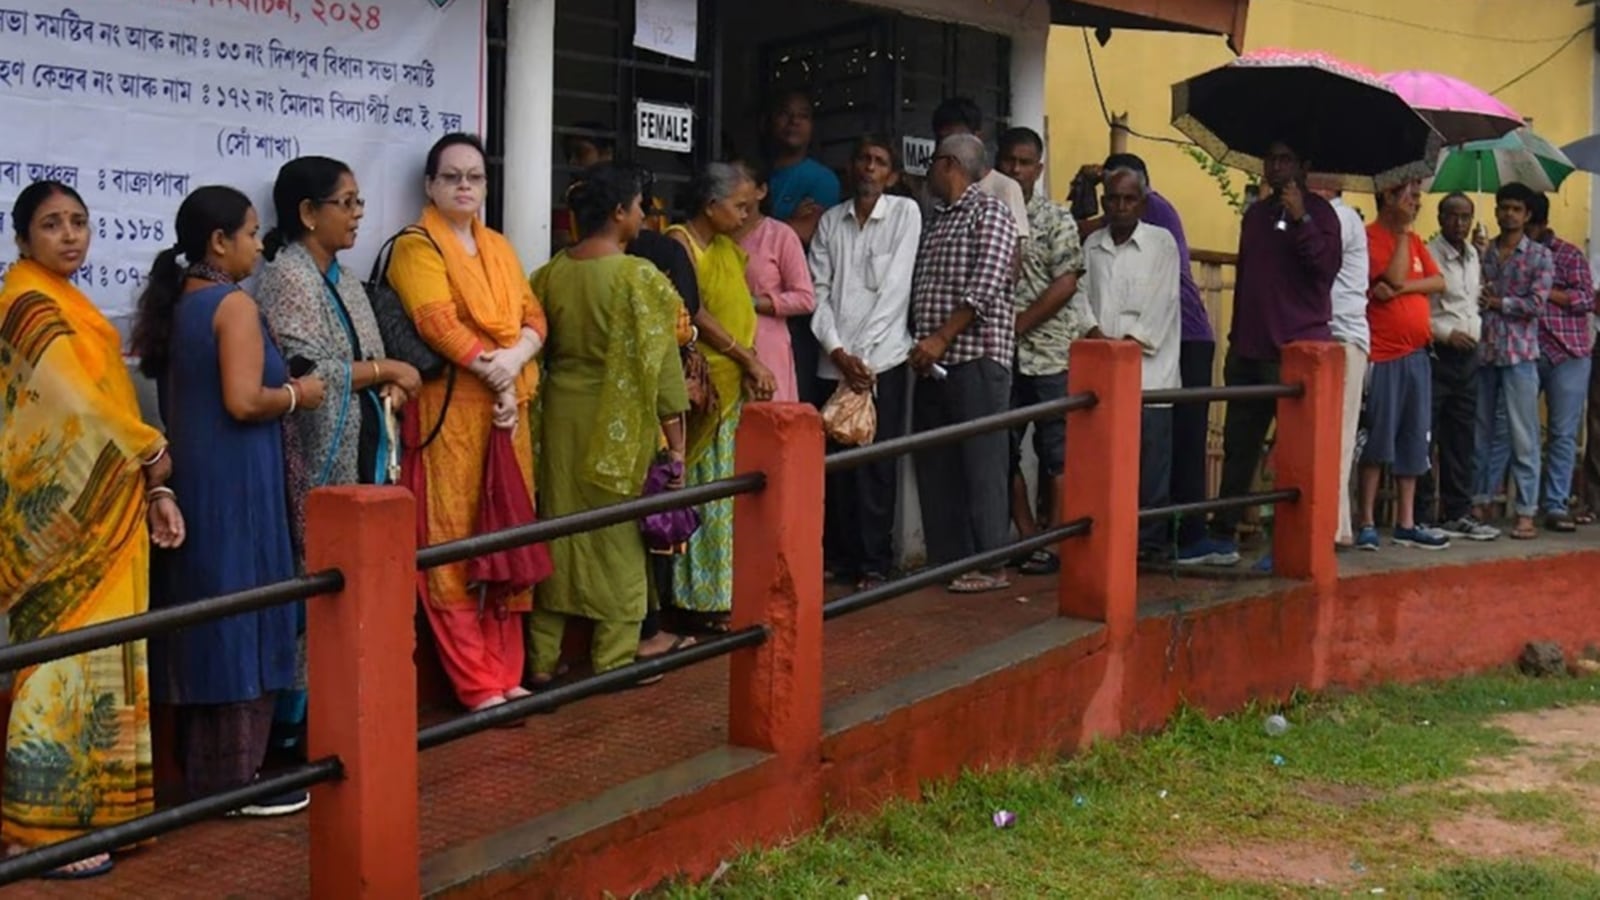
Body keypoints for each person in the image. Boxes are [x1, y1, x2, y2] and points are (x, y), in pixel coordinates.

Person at [0, 181, 183, 878]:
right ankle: (36, 832)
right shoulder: (26, 305)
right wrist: (150, 448)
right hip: (58, 521)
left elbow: (103, 401)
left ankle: (97, 816)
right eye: (52, 224)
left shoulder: (70, 305)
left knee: (103, 658)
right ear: (23, 239)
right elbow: (75, 405)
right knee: (58, 664)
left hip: (105, 508)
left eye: (78, 221)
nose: (70, 235)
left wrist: (154, 483)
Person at [132, 186, 321, 814]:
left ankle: (210, 780)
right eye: (251, 233)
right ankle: (236, 782)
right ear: (219, 242)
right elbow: (244, 401)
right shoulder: (232, 306)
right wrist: (299, 394)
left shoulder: (180, 302)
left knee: (208, 623)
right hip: (239, 484)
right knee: (243, 618)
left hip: (197, 482)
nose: (259, 246)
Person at [256, 156, 421, 749]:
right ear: (307, 212)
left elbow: (364, 361)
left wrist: (390, 383)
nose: (357, 215)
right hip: (318, 458)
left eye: (359, 203)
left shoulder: (346, 279)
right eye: (345, 203)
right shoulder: (286, 277)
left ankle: (351, 708)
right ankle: (298, 725)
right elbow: (309, 372)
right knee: (318, 583)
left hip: (367, 454)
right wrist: (388, 370)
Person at [385, 133, 547, 709]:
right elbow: (436, 323)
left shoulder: (498, 246)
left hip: (507, 411)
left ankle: (508, 673)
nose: (464, 186)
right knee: (452, 540)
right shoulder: (417, 246)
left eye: (474, 177)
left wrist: (514, 361)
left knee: (506, 530)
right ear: (430, 185)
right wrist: (496, 372)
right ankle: (478, 684)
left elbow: (534, 316)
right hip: (451, 410)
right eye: (451, 176)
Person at [530, 165, 690, 679]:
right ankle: (614, 660)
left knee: (557, 530)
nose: (644, 216)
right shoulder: (638, 277)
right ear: (619, 212)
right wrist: (676, 446)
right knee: (619, 538)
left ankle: (541, 660)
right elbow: (663, 370)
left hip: (559, 418)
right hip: (617, 419)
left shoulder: (550, 273)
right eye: (640, 206)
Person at [1178, 140, 1340, 566]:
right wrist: (1236, 338)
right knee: (1238, 448)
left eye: (1286, 159)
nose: (1276, 166)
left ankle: (1288, 540)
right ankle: (1223, 534)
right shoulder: (1255, 216)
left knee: (1293, 454)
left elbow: (1326, 269)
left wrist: (1301, 217)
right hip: (1249, 350)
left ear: (1304, 165)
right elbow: (1249, 276)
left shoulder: (1323, 215)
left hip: (1294, 351)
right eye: (1271, 159)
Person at [667, 163, 777, 631]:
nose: (747, 215)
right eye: (740, 206)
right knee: (701, 495)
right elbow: (695, 313)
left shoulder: (726, 249)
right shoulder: (680, 244)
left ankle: (721, 595)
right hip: (704, 391)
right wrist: (746, 358)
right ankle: (695, 600)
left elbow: (737, 313)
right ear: (711, 206)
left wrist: (750, 362)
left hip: (734, 387)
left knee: (727, 500)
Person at [811, 135, 922, 591]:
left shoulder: (904, 214)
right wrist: (839, 352)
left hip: (883, 362)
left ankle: (873, 563)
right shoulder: (830, 222)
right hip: (834, 362)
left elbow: (895, 292)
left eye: (879, 162)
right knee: (835, 464)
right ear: (851, 167)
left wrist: (862, 360)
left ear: (891, 175)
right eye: (863, 159)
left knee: (875, 465)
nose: (869, 168)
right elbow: (818, 292)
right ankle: (841, 557)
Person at [910, 133, 1019, 594]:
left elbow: (987, 284)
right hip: (933, 363)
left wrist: (941, 336)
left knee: (982, 463)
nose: (928, 173)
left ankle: (990, 565)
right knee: (937, 463)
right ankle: (950, 562)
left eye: (932, 163)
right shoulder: (937, 219)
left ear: (949, 164)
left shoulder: (989, 211)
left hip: (975, 356)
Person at [995, 127, 1090, 575]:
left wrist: (1020, 325)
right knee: (1002, 448)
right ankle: (1027, 535)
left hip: (1050, 354)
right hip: (1000, 355)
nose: (1016, 170)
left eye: (1024, 162)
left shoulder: (1057, 219)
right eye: (1009, 161)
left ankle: (1055, 543)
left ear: (1039, 167)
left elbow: (1066, 282)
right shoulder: (990, 215)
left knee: (1058, 452)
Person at [1080, 167, 1182, 557]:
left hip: (1149, 376)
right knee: (1106, 463)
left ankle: (1148, 546)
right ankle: (1109, 541)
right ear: (1103, 201)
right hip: (1102, 373)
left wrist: (1122, 350)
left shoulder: (1161, 244)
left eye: (1129, 199)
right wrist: (1096, 338)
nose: (1120, 206)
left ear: (1141, 203)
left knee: (1150, 467)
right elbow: (1080, 298)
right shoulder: (1092, 246)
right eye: (1113, 199)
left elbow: (1161, 305)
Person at [1355, 180, 1449, 551]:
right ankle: (1367, 520)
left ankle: (1406, 522)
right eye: (1411, 197)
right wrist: (1401, 238)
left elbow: (1438, 281)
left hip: (1417, 354)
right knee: (1377, 438)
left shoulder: (1415, 241)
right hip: (1384, 354)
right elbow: (1391, 275)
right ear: (1388, 197)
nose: (1416, 204)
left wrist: (1403, 289)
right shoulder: (1370, 238)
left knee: (1413, 438)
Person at [1477, 182, 1553, 541]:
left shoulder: (1539, 256)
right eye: (1504, 207)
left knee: (1524, 436)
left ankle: (1525, 511)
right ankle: (1479, 502)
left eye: (1516, 209)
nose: (1509, 214)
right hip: (1485, 351)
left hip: (1520, 354)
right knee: (1481, 433)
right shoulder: (1485, 252)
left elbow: (1536, 305)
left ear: (1527, 215)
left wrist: (1498, 302)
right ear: (1496, 211)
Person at [1422, 193, 1498, 541]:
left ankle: (1458, 512)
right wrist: (1445, 334)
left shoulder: (1473, 255)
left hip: (1469, 357)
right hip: (1439, 353)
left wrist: (1482, 298)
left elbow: (1469, 301)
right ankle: (1422, 514)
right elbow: (1420, 309)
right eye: (1452, 216)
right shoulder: (1429, 255)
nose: (1460, 223)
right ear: (1440, 218)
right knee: (1427, 434)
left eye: (1466, 217)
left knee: (1461, 437)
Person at [763, 90, 840, 407]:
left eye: (803, 115)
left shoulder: (821, 179)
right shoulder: (761, 174)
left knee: (792, 399)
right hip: (757, 303)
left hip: (797, 309)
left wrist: (768, 227)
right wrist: (787, 224)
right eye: (786, 113)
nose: (794, 121)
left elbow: (808, 232)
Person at [1306, 183, 1369, 548]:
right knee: (1329, 434)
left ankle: (1331, 525)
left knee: (1339, 435)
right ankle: (1337, 524)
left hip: (1343, 335)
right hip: (1329, 335)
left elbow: (1316, 258)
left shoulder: (1341, 218)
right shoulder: (1333, 217)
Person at [1527, 193, 1594, 532]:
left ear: (1536, 222)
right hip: (1528, 349)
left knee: (1562, 433)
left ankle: (1555, 504)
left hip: (1569, 352)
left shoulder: (1568, 254)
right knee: (1516, 430)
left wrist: (1545, 292)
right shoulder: (1511, 254)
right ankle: (1518, 505)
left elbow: (1586, 299)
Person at [734, 160, 815, 403]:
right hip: (723, 342)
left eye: (739, 180)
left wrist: (754, 303)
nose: (730, 186)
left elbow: (805, 299)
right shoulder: (718, 233)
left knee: (767, 418)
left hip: (766, 345)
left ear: (761, 191)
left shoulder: (780, 235)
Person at [926, 97, 1030, 246]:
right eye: (942, 139)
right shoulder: (935, 188)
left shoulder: (1005, 187)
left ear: (977, 138)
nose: (948, 145)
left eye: (957, 138)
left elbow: (1015, 248)